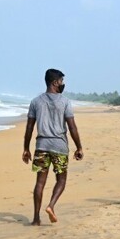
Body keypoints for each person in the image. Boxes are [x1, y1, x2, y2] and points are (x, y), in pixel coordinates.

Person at [22, 69, 83, 225]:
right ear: (55, 82)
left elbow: (29, 127)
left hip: (41, 146)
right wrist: (79, 147)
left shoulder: (36, 102)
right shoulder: (65, 102)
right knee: (61, 180)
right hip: (59, 146)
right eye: (61, 81)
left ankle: (36, 219)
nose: (63, 84)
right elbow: (72, 127)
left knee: (40, 182)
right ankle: (51, 205)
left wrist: (26, 148)